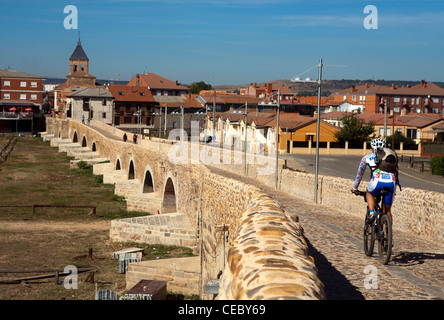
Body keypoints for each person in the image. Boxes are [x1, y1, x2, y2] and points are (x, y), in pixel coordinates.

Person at [352, 138, 398, 224]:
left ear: (372, 148)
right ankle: (388, 235)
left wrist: (355, 188)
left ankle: (372, 212)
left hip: (377, 182)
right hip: (391, 183)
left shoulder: (366, 158)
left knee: (369, 192)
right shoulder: (390, 156)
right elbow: (396, 174)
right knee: (387, 211)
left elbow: (359, 174)